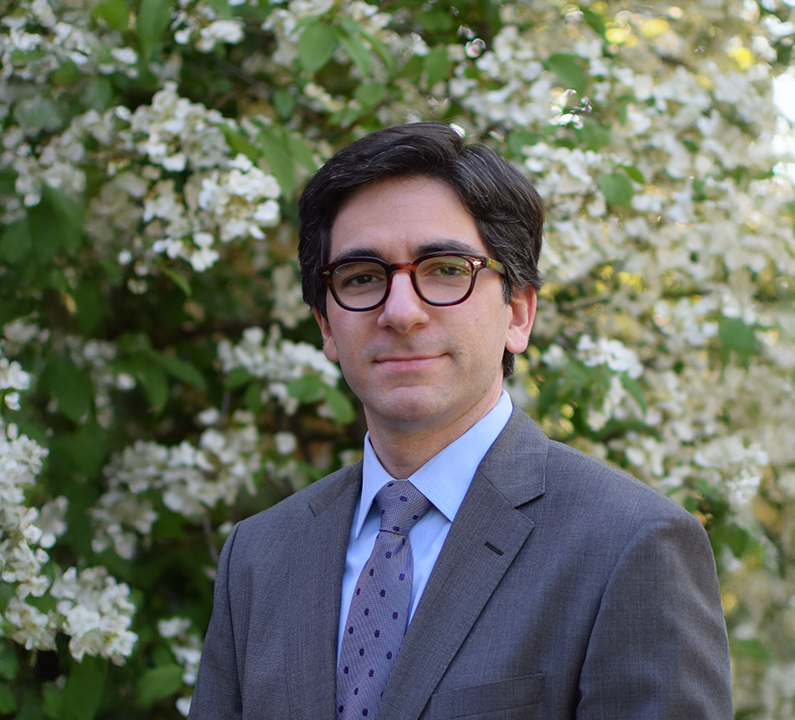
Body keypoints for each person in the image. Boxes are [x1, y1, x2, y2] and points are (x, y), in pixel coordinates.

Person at [187, 123, 732, 720]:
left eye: (446, 269)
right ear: (325, 326)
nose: (400, 312)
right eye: (362, 278)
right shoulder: (260, 555)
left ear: (518, 313)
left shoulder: (632, 545)